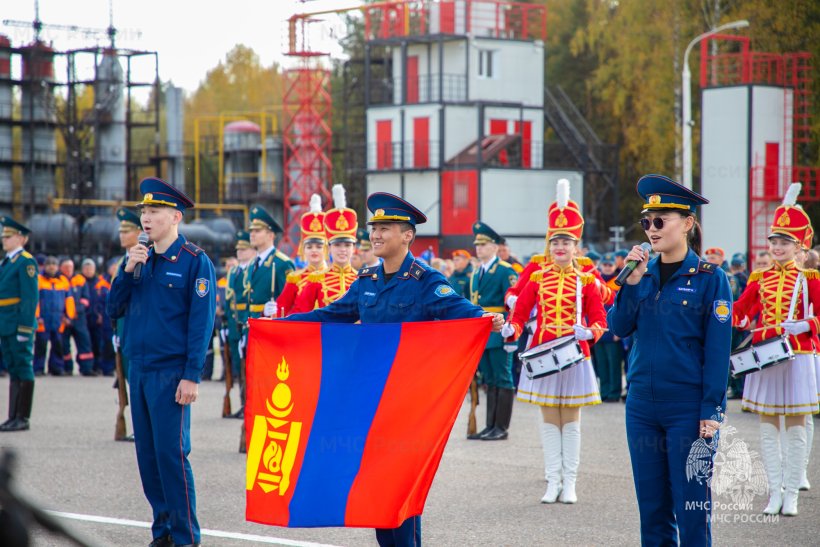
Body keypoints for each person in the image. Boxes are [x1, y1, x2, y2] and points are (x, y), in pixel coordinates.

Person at [283, 191, 504, 547]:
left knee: (400, 494)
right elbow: (332, 315)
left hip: (407, 406)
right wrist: (283, 325)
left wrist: (484, 318)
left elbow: (459, 309)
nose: (376, 235)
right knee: (376, 492)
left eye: (385, 228)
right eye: (374, 228)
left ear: (407, 235)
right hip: (370, 404)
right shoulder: (367, 280)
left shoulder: (425, 280)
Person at [607, 174, 732, 545]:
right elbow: (618, 326)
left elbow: (718, 350)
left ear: (689, 223)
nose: (652, 229)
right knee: (653, 511)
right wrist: (630, 285)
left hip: (688, 408)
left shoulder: (711, 278)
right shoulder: (639, 274)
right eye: (647, 221)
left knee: (692, 509)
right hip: (643, 406)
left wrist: (712, 410)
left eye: (661, 220)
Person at [107, 177, 216, 547]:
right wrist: (125, 271)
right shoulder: (139, 257)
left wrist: (192, 376)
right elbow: (112, 308)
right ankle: (163, 532)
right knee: (148, 459)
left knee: (171, 456)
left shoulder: (193, 262)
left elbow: (201, 325)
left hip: (171, 375)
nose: (146, 219)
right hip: (138, 369)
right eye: (144, 212)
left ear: (175, 216)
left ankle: (186, 537)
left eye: (153, 211)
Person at [503, 179, 605, 504]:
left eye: (567, 241)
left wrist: (592, 332)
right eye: (555, 241)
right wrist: (511, 329)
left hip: (575, 356)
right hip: (544, 354)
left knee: (571, 418)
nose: (560, 246)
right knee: (549, 417)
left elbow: (599, 316)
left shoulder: (587, 279)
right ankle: (552, 480)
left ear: (577, 247)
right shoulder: (536, 276)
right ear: (549, 244)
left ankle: (570, 482)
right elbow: (519, 313)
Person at [732, 183, 819, 517]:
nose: (778, 247)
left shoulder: (810, 277)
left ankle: (793, 490)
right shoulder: (759, 277)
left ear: (799, 246)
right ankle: (775, 490)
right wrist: (726, 315)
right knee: (768, 425)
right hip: (766, 354)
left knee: (796, 422)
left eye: (785, 242)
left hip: (799, 354)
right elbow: (742, 310)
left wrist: (808, 325)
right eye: (774, 242)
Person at [467, 221, 518, 441]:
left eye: (484, 244)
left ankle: (501, 427)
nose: (479, 248)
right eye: (477, 245)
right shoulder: (476, 272)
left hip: (500, 329)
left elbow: (515, 304)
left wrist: (511, 333)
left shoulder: (505, 271)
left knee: (503, 378)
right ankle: (490, 426)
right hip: (482, 332)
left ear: (495, 247)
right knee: (489, 378)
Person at [292, 185, 357, 313]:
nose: (342, 249)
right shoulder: (317, 279)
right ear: (329, 248)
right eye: (337, 245)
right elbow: (300, 313)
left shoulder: (362, 280)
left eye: (347, 245)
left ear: (354, 248)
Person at [0, 217, 39, 432]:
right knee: (13, 369)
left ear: (21, 238)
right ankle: (12, 415)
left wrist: (25, 327)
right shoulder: (7, 262)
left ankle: (22, 417)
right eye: (3, 236)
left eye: (8, 236)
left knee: (23, 367)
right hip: (6, 323)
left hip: (17, 324)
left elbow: (29, 298)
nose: (4, 240)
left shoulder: (26, 262)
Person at [275, 193, 328, 317]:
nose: (314, 250)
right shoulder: (295, 278)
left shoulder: (333, 276)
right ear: (302, 250)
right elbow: (281, 308)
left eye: (319, 247)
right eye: (309, 247)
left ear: (326, 249)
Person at [224, 231, 254, 403]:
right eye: (239, 250)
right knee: (237, 364)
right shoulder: (233, 271)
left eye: (244, 249)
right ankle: (242, 401)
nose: (240, 252)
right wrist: (225, 325)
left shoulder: (251, 269)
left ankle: (247, 403)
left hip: (245, 324)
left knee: (248, 367)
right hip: (234, 325)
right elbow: (229, 301)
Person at [34, 256, 75, 377]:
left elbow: (69, 300)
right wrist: (36, 317)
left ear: (57, 267)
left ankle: (56, 367)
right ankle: (38, 368)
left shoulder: (63, 281)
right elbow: (34, 300)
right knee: (41, 345)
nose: (51, 266)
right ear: (44, 266)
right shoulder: (38, 280)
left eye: (54, 264)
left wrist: (69, 316)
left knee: (58, 344)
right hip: (43, 319)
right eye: (49, 264)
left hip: (58, 318)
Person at [594, 253, 624, 402]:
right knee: (602, 363)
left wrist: (619, 330)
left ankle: (614, 392)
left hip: (612, 329)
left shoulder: (619, 282)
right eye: (604, 265)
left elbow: (624, 308)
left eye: (610, 265)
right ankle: (604, 391)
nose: (606, 268)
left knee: (614, 363)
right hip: (598, 329)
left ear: (614, 266)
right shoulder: (595, 282)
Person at [59, 257, 96, 375]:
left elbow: (86, 299)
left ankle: (86, 368)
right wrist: (65, 316)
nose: (68, 269)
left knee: (84, 342)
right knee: (63, 344)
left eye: (70, 266)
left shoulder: (80, 280)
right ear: (61, 268)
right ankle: (66, 368)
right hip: (63, 319)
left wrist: (74, 312)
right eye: (66, 267)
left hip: (79, 318)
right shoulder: (59, 280)